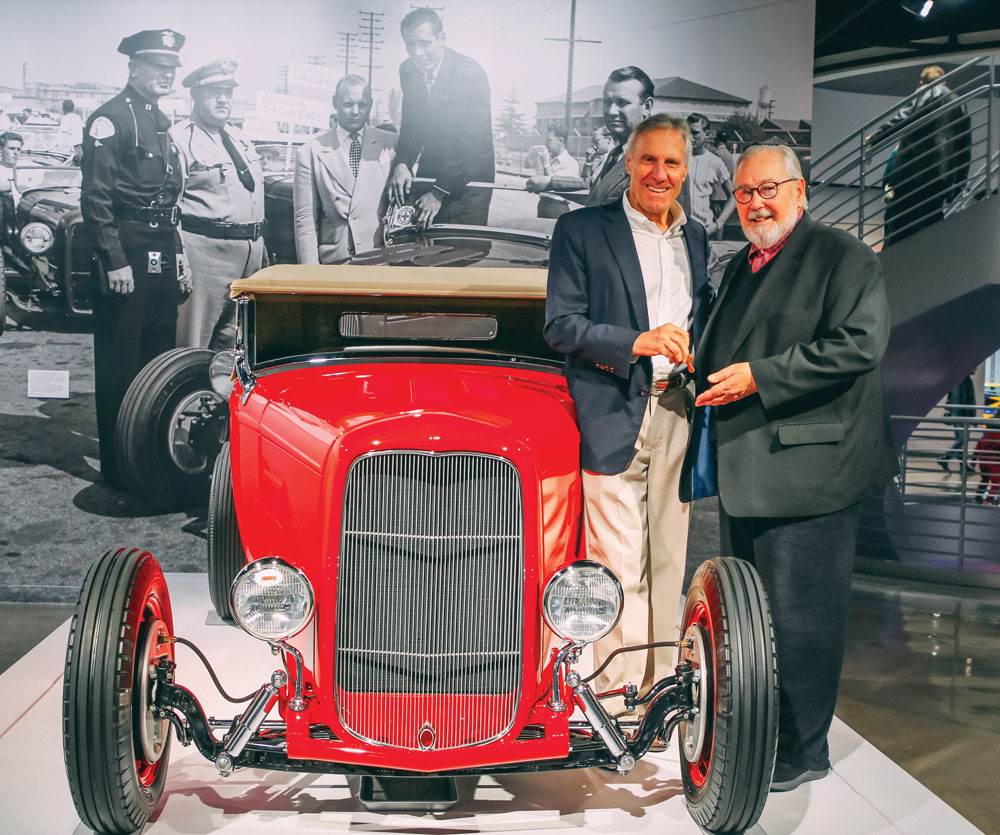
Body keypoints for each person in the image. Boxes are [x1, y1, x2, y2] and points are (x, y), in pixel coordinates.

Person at [689, 144, 898, 792]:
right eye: (744, 193)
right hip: (749, 469)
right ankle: (758, 733)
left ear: (800, 191)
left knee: (801, 619)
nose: (754, 202)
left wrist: (758, 377)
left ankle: (802, 749)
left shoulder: (845, 257)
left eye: (767, 189)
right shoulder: (740, 268)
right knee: (751, 619)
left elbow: (860, 345)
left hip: (812, 474)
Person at [545, 114, 714, 698]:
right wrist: (635, 342)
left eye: (671, 162)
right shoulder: (581, 229)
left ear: (686, 169)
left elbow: (705, 319)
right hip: (610, 408)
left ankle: (660, 687)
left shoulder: (695, 237)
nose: (659, 173)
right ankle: (617, 697)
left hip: (676, 410)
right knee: (617, 563)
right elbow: (562, 326)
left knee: (670, 556)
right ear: (627, 162)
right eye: (648, 160)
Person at [81, 28, 190, 486]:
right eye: (157, 67)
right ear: (133, 69)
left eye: (171, 68)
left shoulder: (160, 120)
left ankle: (148, 459)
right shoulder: (110, 120)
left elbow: (169, 197)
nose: (167, 75)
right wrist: (114, 259)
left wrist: (178, 250)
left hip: (161, 251)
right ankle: (120, 469)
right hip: (126, 253)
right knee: (120, 363)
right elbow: (96, 200)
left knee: (157, 359)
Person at [171, 59, 266, 349]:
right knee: (193, 347)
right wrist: (178, 256)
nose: (223, 99)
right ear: (195, 95)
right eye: (214, 92)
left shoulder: (240, 138)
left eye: (228, 92)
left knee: (236, 352)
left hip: (248, 260)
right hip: (205, 259)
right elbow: (170, 207)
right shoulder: (179, 139)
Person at [388, 7, 494, 229]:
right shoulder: (408, 70)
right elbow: (411, 126)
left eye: (424, 43)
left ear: (442, 39)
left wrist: (439, 193)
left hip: (470, 177)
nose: (417, 52)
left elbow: (472, 144)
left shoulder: (470, 73)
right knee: (418, 247)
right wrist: (402, 162)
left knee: (459, 251)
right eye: (410, 44)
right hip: (432, 170)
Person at [293, 74, 397, 264]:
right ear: (335, 102)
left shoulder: (391, 144)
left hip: (381, 262)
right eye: (348, 104)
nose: (355, 111)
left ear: (371, 104)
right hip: (335, 262)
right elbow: (305, 220)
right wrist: (309, 274)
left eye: (363, 105)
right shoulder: (310, 152)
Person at [868, 65, 971, 246]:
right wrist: (960, 182)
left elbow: (902, 118)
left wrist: (874, 137)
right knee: (931, 225)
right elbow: (965, 147)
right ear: (945, 81)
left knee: (898, 224)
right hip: (942, 177)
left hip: (912, 173)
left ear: (922, 82)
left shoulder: (925, 92)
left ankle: (893, 266)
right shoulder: (959, 102)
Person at [527, 65, 653, 208]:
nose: (611, 111)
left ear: (647, 107)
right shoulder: (616, 154)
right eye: (607, 102)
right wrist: (549, 183)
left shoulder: (658, 159)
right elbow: (595, 187)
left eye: (622, 103)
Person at [678, 113, 734, 238]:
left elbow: (734, 196)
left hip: (702, 231)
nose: (690, 137)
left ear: (707, 134)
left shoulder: (715, 162)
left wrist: (718, 224)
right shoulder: (675, 159)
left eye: (695, 132)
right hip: (676, 232)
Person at [527, 123, 580, 218]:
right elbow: (540, 183)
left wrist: (546, 164)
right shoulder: (549, 158)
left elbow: (555, 185)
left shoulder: (570, 163)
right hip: (543, 203)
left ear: (561, 140)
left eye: (549, 140)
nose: (546, 143)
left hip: (557, 206)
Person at [59, 99, 84, 164]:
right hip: (79, 149)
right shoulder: (78, 117)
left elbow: (64, 135)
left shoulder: (65, 118)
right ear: (73, 108)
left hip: (71, 150)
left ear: (63, 108)